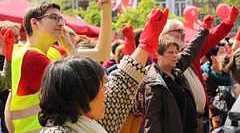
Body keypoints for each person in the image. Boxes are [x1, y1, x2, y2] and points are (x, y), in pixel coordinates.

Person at [38, 7, 169, 133]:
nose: (107, 88)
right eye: (100, 85)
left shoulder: (89, 121)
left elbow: (124, 82)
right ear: (80, 94)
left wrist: (145, 44)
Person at [8, 0, 113, 133]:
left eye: (61, 19)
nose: (61, 23)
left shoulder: (52, 52)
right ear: (34, 23)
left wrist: (106, 11)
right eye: (53, 18)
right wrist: (71, 51)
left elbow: (101, 53)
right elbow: (82, 87)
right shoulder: (31, 57)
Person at [159, 5, 239, 133]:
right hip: (184, 123)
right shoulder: (162, 61)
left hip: (202, 120)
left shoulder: (190, 53)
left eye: (183, 30)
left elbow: (211, 38)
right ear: (166, 35)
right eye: (179, 30)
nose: (183, 33)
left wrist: (227, 23)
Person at [143, 15, 211, 133]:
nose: (175, 56)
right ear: (158, 55)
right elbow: (152, 119)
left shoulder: (176, 69)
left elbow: (191, 51)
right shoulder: (154, 82)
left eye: (176, 52)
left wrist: (204, 30)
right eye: (170, 53)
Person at [203, 42, 235, 130]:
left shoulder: (229, 72)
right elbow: (211, 103)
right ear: (213, 57)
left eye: (226, 52)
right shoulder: (206, 77)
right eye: (222, 53)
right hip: (217, 121)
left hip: (232, 116)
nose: (226, 56)